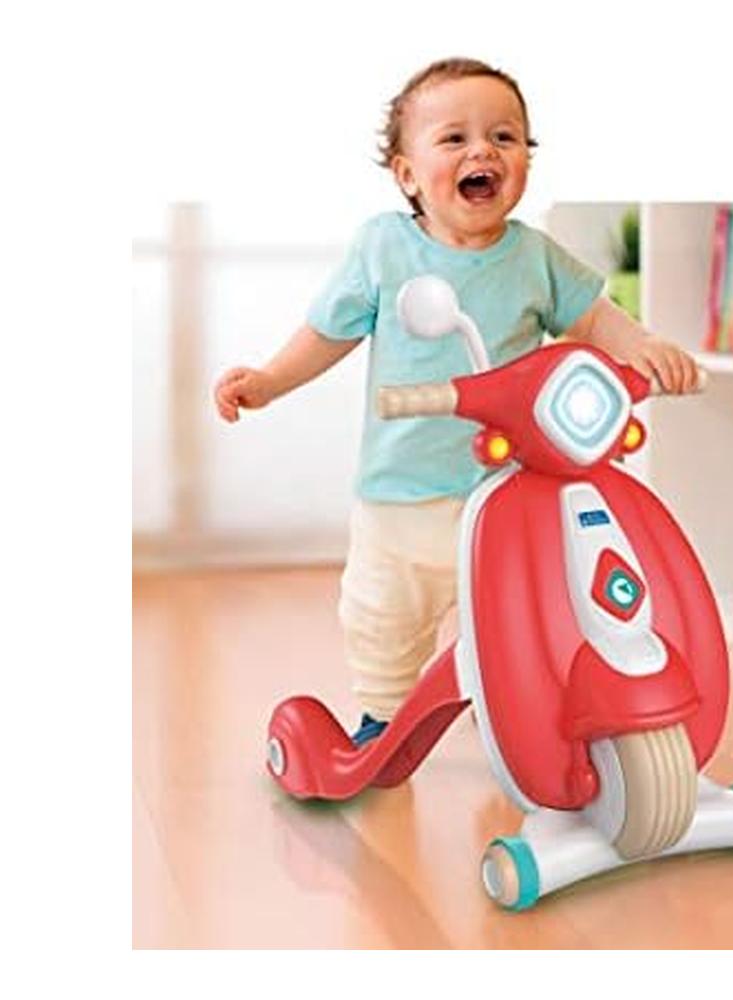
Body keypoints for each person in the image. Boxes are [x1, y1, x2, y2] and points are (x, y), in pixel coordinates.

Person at [214, 58, 699, 745]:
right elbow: (328, 332)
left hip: (509, 491)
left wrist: (643, 344)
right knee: (383, 615)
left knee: (527, 612)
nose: (483, 151)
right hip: (401, 493)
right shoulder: (384, 246)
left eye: (505, 137)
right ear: (408, 174)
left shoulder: (534, 256)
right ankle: (382, 720)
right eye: (454, 139)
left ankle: (515, 704)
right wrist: (268, 381)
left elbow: (594, 317)